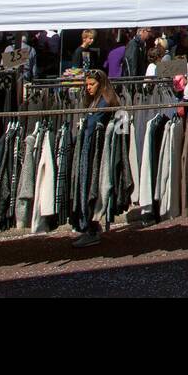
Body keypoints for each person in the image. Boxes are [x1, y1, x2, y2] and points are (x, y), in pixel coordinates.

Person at [73, 69, 119, 248]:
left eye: (92, 85)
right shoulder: (97, 101)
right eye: (86, 85)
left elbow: (91, 126)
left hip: (97, 151)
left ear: (101, 84)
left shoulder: (104, 103)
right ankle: (90, 227)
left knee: (91, 186)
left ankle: (90, 229)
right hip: (92, 148)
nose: (88, 88)